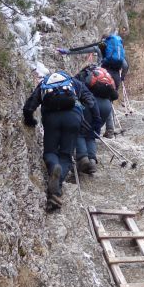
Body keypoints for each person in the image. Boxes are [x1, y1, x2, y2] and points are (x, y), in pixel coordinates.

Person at [23, 69, 101, 209]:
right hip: (73, 118)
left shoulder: (43, 84)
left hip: (51, 119)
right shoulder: (73, 82)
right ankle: (55, 191)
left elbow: (29, 107)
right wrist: (93, 122)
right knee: (65, 155)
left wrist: (30, 121)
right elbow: (91, 101)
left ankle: (54, 169)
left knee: (50, 152)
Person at [59, 30, 128, 138]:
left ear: (103, 39)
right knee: (108, 101)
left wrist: (67, 51)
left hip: (100, 75)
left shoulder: (101, 46)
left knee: (93, 99)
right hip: (114, 78)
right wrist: (122, 77)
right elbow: (125, 66)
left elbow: (84, 49)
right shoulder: (117, 52)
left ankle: (90, 126)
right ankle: (110, 130)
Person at [73, 64, 118, 175]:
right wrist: (110, 127)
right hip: (106, 106)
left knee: (80, 132)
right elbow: (114, 95)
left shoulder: (83, 75)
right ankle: (92, 161)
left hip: (91, 104)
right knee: (91, 134)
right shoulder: (106, 77)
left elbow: (75, 90)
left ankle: (83, 159)